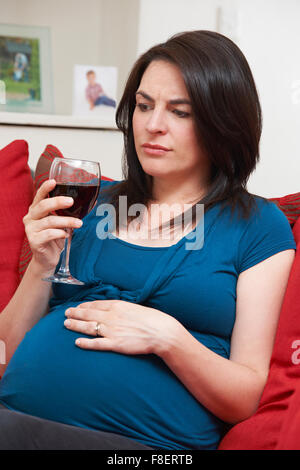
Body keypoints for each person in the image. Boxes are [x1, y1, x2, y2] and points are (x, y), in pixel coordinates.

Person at [0, 30, 296, 450]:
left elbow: (246, 396)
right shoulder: (93, 204)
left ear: (222, 123)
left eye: (180, 112)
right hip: (15, 419)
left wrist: (168, 338)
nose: (153, 126)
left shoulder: (257, 225)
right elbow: (5, 353)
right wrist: (41, 266)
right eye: (143, 106)